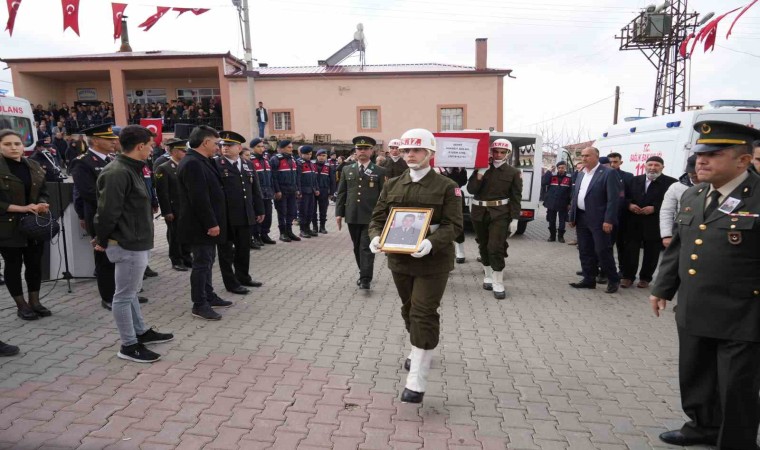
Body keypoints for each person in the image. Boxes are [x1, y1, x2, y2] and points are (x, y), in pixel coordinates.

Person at [650, 121, 760, 449]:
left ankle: (737, 442)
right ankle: (702, 427)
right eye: (699, 154)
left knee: (735, 386)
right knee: (695, 375)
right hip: (696, 306)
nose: (702, 161)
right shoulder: (694, 194)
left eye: (714, 154)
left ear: (742, 161)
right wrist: (661, 288)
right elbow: (679, 247)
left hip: (743, 312)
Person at [367, 128, 463, 404]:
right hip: (399, 260)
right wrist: (375, 238)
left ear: (430, 154)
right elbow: (377, 219)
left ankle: (416, 381)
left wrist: (431, 243)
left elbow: (454, 225)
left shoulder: (447, 186)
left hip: (433, 262)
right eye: (407, 150)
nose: (410, 154)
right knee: (409, 310)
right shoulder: (392, 184)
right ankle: (418, 348)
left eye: (417, 150)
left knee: (423, 312)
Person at [94, 125, 174, 363]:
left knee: (131, 292)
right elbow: (108, 211)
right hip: (126, 242)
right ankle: (129, 345)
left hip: (136, 240)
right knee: (124, 295)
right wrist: (101, 239)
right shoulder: (117, 172)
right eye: (150, 145)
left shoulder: (131, 168)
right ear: (140, 146)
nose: (152, 149)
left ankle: (141, 332)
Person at [177, 125, 232, 321]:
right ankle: (199, 304)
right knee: (201, 264)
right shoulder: (192, 163)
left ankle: (208, 295)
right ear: (206, 142)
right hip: (199, 225)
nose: (218, 147)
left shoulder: (203, 160)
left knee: (208, 262)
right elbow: (198, 198)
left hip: (207, 223)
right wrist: (211, 223)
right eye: (216, 143)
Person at [0, 129, 51, 322]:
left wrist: (43, 203)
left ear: (23, 146)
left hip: (34, 225)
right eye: (7, 144)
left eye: (17, 144)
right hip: (8, 226)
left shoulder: (34, 165)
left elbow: (44, 190)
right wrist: (20, 208)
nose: (13, 147)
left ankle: (35, 301)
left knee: (34, 264)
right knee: (13, 266)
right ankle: (22, 305)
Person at [69, 123, 120, 310]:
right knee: (104, 258)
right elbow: (89, 193)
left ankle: (123, 295)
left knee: (119, 256)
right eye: (109, 139)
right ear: (96, 141)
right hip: (99, 216)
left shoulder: (112, 159)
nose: (114, 141)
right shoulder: (82, 162)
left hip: (116, 215)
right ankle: (108, 296)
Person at [466, 139, 522, 299]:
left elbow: (516, 197)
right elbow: (471, 189)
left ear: (507, 154)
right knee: (483, 244)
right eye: (495, 151)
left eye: (502, 152)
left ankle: (498, 281)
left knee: (495, 247)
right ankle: (488, 275)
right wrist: (480, 174)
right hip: (479, 212)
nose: (498, 154)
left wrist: (515, 219)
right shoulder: (481, 168)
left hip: (500, 213)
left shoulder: (513, 172)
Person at [215, 131, 265, 295]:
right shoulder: (216, 164)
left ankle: (243, 277)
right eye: (222, 145)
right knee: (226, 252)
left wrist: (259, 209)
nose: (224, 148)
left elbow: (255, 189)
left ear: (238, 147)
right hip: (226, 216)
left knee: (243, 249)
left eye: (229, 146)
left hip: (245, 214)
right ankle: (231, 283)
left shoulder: (247, 164)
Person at [568, 146, 621, 293]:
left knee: (602, 250)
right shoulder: (580, 174)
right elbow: (576, 196)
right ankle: (589, 279)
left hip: (600, 219)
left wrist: (608, 220)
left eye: (587, 156)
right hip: (582, 217)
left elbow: (613, 199)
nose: (584, 158)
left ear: (597, 156)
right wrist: (572, 216)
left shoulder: (608, 173)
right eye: (582, 156)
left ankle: (613, 279)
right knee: (585, 250)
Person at [336, 136, 386, 290]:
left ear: (372, 151)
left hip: (371, 216)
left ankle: (365, 279)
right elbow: (342, 192)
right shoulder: (347, 169)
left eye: (366, 148)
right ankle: (362, 271)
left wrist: (384, 216)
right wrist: (339, 213)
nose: (362, 151)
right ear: (355, 151)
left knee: (366, 246)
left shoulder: (379, 171)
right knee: (356, 246)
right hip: (352, 214)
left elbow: (384, 196)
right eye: (359, 149)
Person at [619, 156, 677, 288]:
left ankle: (645, 278)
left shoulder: (671, 183)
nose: (652, 168)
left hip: (654, 222)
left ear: (662, 167)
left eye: (656, 165)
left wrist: (655, 208)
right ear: (645, 166)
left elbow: (673, 202)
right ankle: (628, 277)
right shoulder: (634, 180)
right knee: (630, 251)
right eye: (650, 164)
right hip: (633, 221)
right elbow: (623, 197)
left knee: (652, 252)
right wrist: (629, 205)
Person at [155, 139, 192, 271]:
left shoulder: (185, 166)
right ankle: (176, 259)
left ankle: (187, 257)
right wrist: (166, 211)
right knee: (175, 235)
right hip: (174, 208)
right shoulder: (164, 168)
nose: (185, 153)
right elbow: (162, 192)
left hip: (187, 207)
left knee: (187, 232)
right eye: (183, 151)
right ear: (175, 151)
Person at [660, 154, 698, 248]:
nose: (694, 175)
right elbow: (667, 211)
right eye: (691, 172)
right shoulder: (676, 187)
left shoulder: (713, 185)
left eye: (696, 172)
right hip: (681, 233)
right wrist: (667, 235)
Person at [434, 166, 468, 262]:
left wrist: (461, 170)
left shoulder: (459, 169)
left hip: (456, 195)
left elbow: (463, 182)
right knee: (440, 223)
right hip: (439, 196)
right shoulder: (436, 168)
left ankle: (460, 248)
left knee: (457, 221)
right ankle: (442, 252)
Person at [270, 140, 301, 242]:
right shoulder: (275, 159)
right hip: (281, 191)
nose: (291, 149)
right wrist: (277, 191)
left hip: (292, 190)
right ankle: (282, 233)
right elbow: (273, 177)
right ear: (282, 148)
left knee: (291, 212)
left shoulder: (293, 159)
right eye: (289, 147)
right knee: (282, 212)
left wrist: (297, 189)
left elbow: (296, 176)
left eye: (291, 147)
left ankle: (289, 231)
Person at [250, 138, 276, 246]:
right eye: (258, 147)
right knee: (258, 215)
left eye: (262, 146)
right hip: (257, 193)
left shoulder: (266, 160)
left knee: (268, 215)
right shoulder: (250, 160)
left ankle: (265, 234)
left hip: (267, 192)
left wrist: (273, 190)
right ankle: (256, 236)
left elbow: (271, 177)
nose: (261, 149)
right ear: (253, 148)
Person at [541, 161, 572, 243]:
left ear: (565, 168)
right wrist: (549, 171)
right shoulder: (552, 176)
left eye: (563, 168)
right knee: (551, 220)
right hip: (551, 202)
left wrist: (570, 203)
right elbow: (543, 182)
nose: (561, 169)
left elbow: (571, 191)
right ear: (557, 168)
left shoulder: (569, 178)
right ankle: (552, 236)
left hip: (563, 203)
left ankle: (561, 237)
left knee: (562, 221)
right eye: (559, 168)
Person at [296, 146, 319, 238]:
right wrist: (299, 191)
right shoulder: (299, 163)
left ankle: (308, 228)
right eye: (307, 154)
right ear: (302, 154)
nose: (309, 156)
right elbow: (297, 179)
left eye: (310, 154)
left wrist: (316, 189)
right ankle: (302, 229)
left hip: (311, 191)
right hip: (304, 192)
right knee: (303, 211)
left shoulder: (312, 164)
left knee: (310, 211)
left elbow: (314, 178)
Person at [313, 149, 335, 234]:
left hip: (324, 191)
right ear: (316, 156)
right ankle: (315, 227)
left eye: (323, 156)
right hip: (313, 190)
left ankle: (322, 227)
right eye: (319, 155)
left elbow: (333, 181)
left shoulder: (329, 167)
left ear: (326, 157)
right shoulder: (312, 165)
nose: (321, 157)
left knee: (323, 210)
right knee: (312, 210)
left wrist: (331, 193)